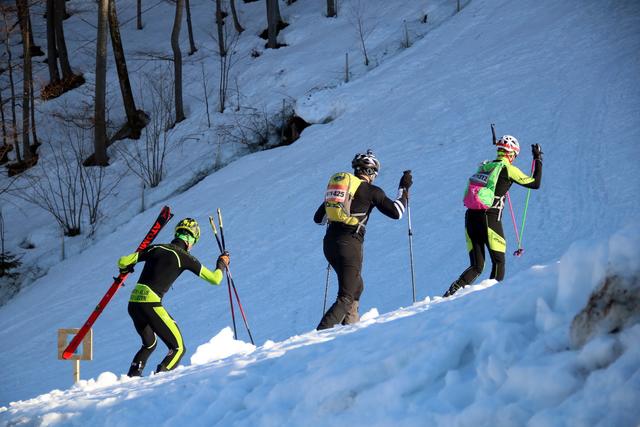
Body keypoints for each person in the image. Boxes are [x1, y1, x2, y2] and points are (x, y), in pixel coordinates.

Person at [118, 218, 230, 376]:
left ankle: (132, 377)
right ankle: (159, 381)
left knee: (149, 344)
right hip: (151, 305)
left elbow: (122, 261)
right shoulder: (185, 257)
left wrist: (125, 269)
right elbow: (215, 279)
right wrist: (221, 264)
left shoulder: (155, 248)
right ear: (192, 239)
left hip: (134, 304)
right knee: (178, 348)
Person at [314, 150, 412, 330]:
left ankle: (350, 328)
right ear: (371, 172)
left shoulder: (341, 191)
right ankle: (317, 338)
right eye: (375, 172)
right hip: (349, 244)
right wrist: (403, 188)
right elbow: (397, 212)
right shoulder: (372, 191)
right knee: (346, 296)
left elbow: (318, 219)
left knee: (357, 286)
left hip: (329, 244)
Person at [443, 136, 543, 297]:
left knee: (476, 266)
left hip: (470, 217)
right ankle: (490, 301)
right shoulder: (507, 168)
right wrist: (538, 159)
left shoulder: (485, 166)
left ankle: (448, 295)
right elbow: (535, 183)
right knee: (498, 262)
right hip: (489, 218)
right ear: (511, 154)